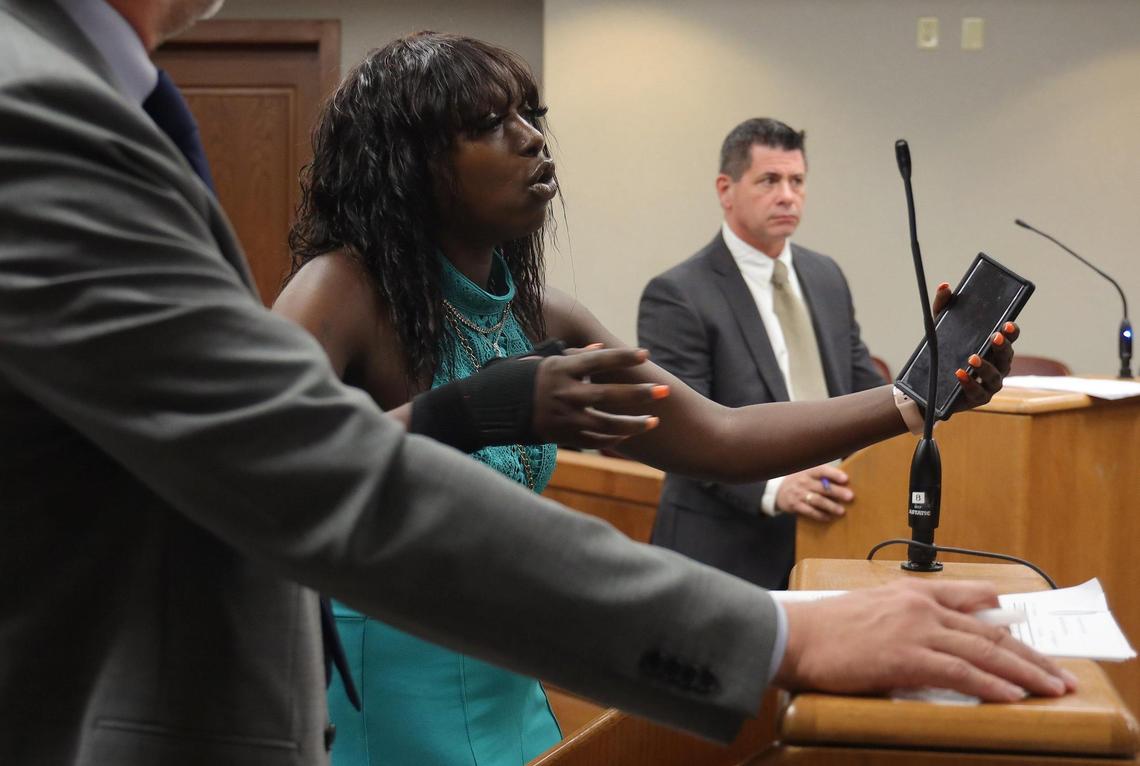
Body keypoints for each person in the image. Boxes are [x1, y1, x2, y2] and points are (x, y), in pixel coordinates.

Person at [0, 4, 1074, 765]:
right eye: (491, 125)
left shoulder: (539, 313)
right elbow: (281, 471)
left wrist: (911, 397)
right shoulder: (339, 293)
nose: (532, 143)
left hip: (511, 686)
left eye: (534, 118)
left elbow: (720, 436)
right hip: (383, 703)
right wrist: (473, 412)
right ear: (412, 161)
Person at [639, 117, 888, 588]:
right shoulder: (678, 293)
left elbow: (862, 387)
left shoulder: (825, 276)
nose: (788, 196)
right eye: (769, 180)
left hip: (836, 526)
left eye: (797, 181)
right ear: (725, 189)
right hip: (725, 547)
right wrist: (775, 489)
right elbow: (681, 431)